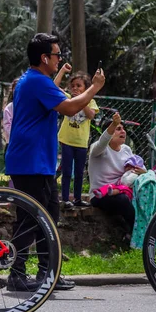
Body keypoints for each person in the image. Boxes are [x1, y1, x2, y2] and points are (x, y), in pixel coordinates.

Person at [5, 32, 105, 291]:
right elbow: (71, 107)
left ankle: (47, 274)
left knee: (48, 217)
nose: (59, 59)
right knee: (31, 218)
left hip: (39, 163)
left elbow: (62, 99)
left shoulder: (37, 81)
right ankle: (16, 274)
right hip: (30, 162)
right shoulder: (37, 81)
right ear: (44, 57)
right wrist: (94, 87)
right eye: (57, 54)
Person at [88, 112, 142, 237]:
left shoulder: (126, 149)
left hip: (122, 190)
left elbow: (134, 170)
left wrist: (142, 172)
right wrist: (113, 124)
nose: (123, 131)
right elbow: (102, 141)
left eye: (123, 129)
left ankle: (146, 230)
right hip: (100, 195)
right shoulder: (97, 149)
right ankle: (138, 234)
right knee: (123, 200)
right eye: (118, 129)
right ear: (109, 133)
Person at [55, 68, 99, 209]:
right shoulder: (67, 97)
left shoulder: (90, 101)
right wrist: (62, 71)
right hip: (67, 140)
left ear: (86, 88)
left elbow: (91, 115)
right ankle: (66, 198)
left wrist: (82, 100)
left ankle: (78, 198)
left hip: (81, 142)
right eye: (73, 86)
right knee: (67, 171)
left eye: (79, 86)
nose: (75, 88)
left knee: (79, 172)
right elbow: (54, 86)